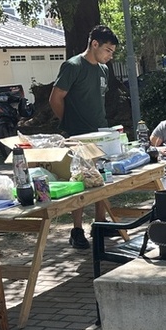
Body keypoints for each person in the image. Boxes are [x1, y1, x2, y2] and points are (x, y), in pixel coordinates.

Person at [49, 25, 120, 249]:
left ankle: (100, 223)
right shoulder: (73, 66)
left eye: (113, 52)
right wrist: (68, 124)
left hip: (101, 133)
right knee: (79, 183)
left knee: (101, 180)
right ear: (94, 44)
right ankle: (77, 229)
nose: (110, 56)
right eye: (108, 50)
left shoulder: (103, 70)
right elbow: (56, 98)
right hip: (78, 136)